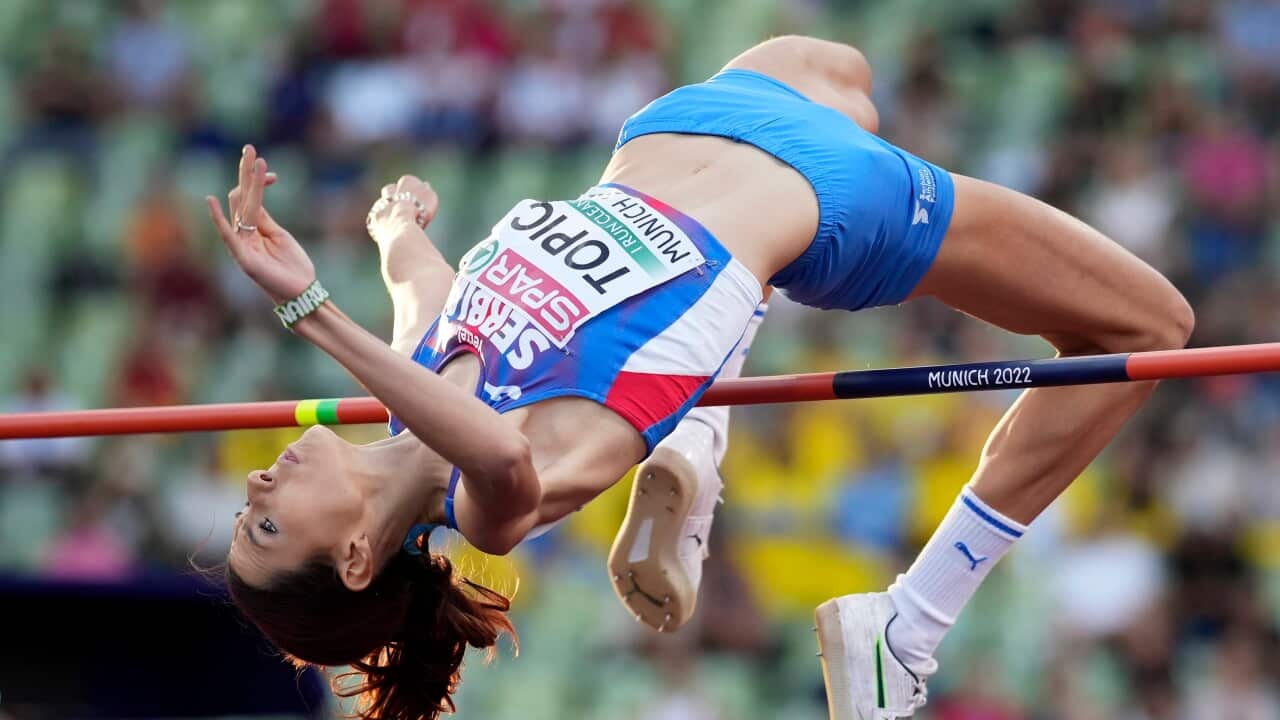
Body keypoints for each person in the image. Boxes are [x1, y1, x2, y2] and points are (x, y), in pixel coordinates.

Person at [207, 35, 1192, 720]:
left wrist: (393, 222)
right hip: (824, 201)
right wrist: (306, 307)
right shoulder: (488, 503)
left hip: (684, 132)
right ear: (352, 560)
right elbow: (499, 445)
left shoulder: (416, 369)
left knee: (838, 66)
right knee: (1151, 325)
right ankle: (908, 620)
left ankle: (687, 430)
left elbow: (419, 280)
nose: (256, 487)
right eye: (264, 525)